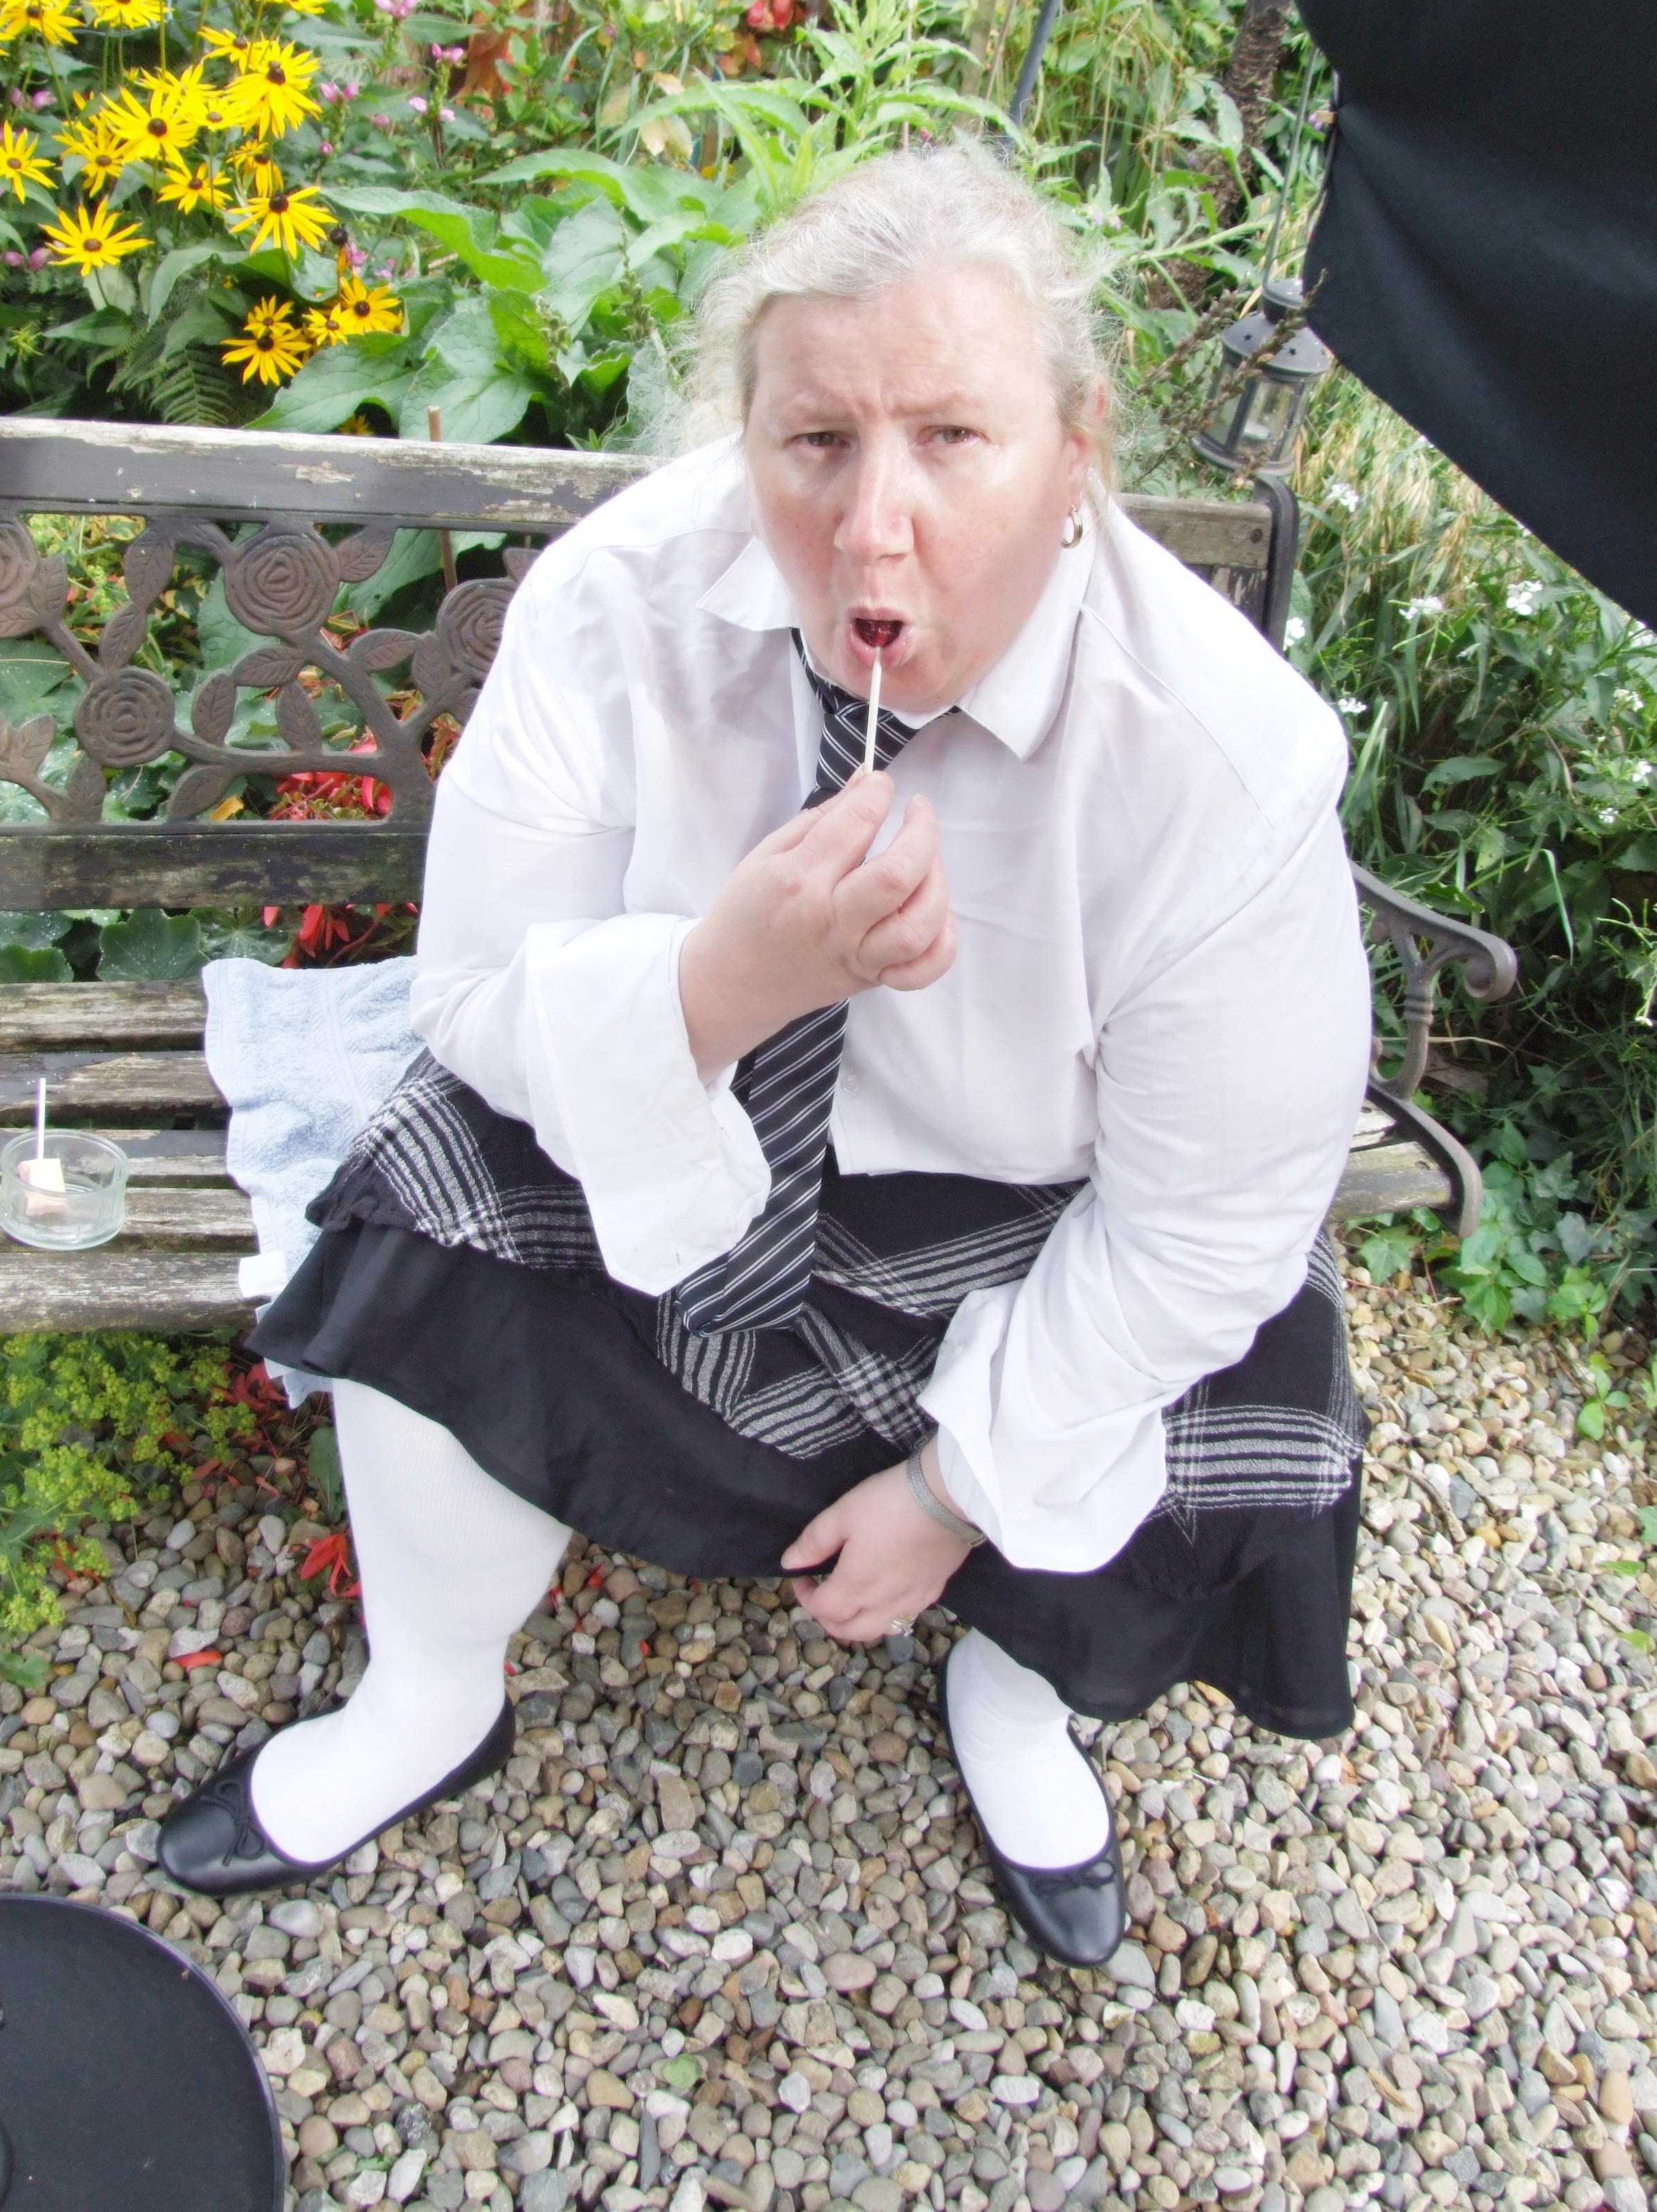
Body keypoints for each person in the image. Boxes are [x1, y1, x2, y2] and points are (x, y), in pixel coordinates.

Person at [159, 145, 1372, 1969]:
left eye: (952, 440)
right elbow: (475, 995)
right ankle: (430, 1696)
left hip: (1029, 1206)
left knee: (1248, 1378)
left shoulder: (1221, 761)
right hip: (685, 1118)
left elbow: (1205, 1226)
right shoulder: (619, 600)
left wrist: (952, 1495)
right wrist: (719, 984)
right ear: (744, 443)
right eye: (816, 443)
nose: (873, 531)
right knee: (427, 1198)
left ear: (1077, 455)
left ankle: (1016, 1699)